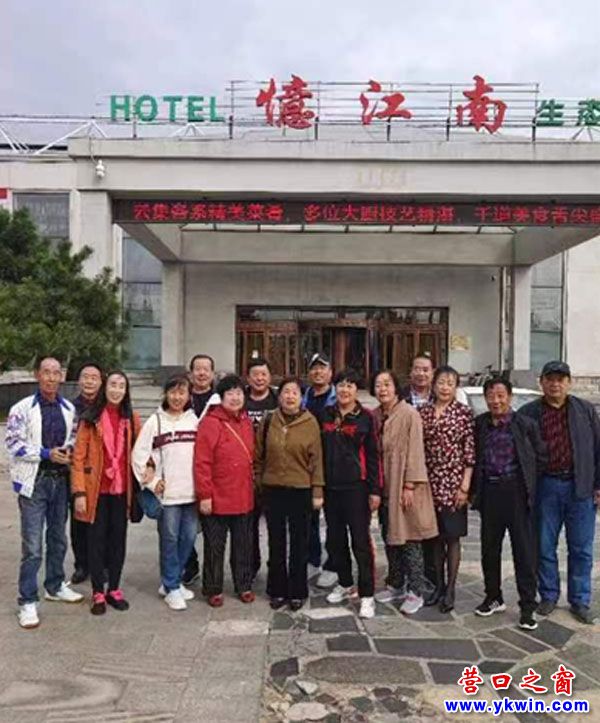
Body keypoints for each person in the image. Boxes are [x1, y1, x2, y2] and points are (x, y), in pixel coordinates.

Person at [520, 361, 600, 625]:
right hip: (546, 487)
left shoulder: (585, 411)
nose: (555, 384)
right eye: (550, 379)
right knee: (544, 546)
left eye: (561, 379)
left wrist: (598, 485)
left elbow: (598, 449)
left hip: (580, 488)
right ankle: (549, 595)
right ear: (541, 382)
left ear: (569, 382)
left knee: (582, 548)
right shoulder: (529, 413)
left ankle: (580, 600)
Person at [6, 355, 83, 629]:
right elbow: (13, 444)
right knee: (33, 546)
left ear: (62, 376)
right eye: (46, 372)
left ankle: (55, 585)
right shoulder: (22, 408)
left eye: (56, 372)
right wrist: (46, 453)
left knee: (58, 538)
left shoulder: (68, 408)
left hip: (60, 481)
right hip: (34, 482)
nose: (51, 377)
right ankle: (27, 600)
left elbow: (74, 437)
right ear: (37, 375)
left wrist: (67, 451)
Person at [472, 377, 547, 631]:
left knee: (523, 552)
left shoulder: (525, 425)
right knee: (489, 549)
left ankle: (527, 607)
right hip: (490, 493)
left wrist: (531, 488)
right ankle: (493, 597)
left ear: (510, 397)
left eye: (501, 395)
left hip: (517, 493)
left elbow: (540, 457)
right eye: (491, 396)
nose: (496, 401)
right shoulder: (480, 424)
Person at [71, 371, 141, 615]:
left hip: (121, 491)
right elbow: (78, 458)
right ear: (105, 387)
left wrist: (150, 468)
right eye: (113, 384)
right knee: (96, 541)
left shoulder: (131, 418)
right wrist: (79, 492)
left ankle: (114, 589)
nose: (116, 390)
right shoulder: (90, 418)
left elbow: (141, 450)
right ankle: (98, 591)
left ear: (126, 391)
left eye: (121, 386)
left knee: (118, 541)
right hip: (95, 491)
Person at [372, 370, 438, 615]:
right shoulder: (375, 415)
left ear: (396, 387)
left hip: (405, 485)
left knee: (410, 539)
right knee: (390, 536)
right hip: (384, 485)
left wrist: (410, 485)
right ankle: (396, 583)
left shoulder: (409, 414)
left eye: (387, 384)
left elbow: (416, 451)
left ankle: (416, 590)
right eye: (378, 385)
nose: (382, 389)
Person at [256, 377, 324, 611]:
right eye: (286, 392)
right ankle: (276, 589)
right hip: (273, 488)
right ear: (280, 396)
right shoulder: (269, 420)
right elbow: (259, 455)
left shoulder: (310, 422)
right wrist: (259, 482)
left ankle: (297, 591)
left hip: (301, 489)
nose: (290, 396)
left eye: (295, 392)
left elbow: (317, 460)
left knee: (299, 542)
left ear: (301, 397)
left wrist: (317, 490)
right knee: (276, 541)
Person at [132, 374, 199, 611]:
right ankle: (171, 587)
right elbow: (138, 455)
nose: (177, 397)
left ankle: (172, 580)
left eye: (182, 392)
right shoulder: (155, 421)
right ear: (166, 394)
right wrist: (152, 481)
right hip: (168, 495)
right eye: (173, 392)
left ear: (188, 395)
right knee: (169, 540)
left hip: (191, 492)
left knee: (188, 538)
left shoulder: (194, 421)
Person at [321, 368, 381, 619]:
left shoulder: (365, 418)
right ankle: (345, 583)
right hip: (330, 488)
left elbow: (374, 456)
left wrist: (375, 490)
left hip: (357, 488)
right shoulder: (326, 414)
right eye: (341, 385)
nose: (344, 390)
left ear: (357, 390)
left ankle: (367, 595)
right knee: (335, 541)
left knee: (360, 542)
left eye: (350, 385)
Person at [194, 374, 255, 607]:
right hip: (217, 496)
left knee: (243, 545)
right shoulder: (211, 423)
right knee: (214, 547)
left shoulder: (246, 422)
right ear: (221, 397)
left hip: (243, 495)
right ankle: (213, 588)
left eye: (239, 393)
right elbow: (202, 462)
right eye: (230, 393)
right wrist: (205, 495)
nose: (235, 397)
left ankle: (244, 585)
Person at [419, 365, 475, 613]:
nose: (445, 387)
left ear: (456, 388)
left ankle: (451, 588)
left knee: (452, 537)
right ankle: (438, 586)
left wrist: (465, 486)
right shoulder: (423, 412)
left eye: (450, 383)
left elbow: (469, 452)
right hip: (429, 483)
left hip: (453, 483)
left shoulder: (463, 413)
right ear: (434, 385)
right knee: (434, 538)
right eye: (441, 382)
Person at [183, 353, 220, 586]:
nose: (202, 373)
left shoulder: (219, 401)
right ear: (191, 373)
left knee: (211, 527)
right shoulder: (181, 397)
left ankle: (212, 574)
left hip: (211, 471)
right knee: (185, 526)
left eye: (206, 369)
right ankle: (189, 565)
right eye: (198, 369)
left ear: (213, 374)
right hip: (183, 469)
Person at [302, 352, 338, 588]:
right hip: (306, 467)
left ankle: (333, 565)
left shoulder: (338, 397)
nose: (318, 372)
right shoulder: (303, 398)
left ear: (330, 372)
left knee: (334, 519)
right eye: (314, 368)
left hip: (332, 466)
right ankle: (312, 559)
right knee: (309, 518)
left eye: (322, 368)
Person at [70, 362, 104, 585]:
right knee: (79, 520)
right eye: (85, 377)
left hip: (100, 473)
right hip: (75, 470)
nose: (89, 381)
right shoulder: (69, 407)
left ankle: (102, 564)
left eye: (94, 377)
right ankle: (82, 564)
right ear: (79, 380)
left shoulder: (106, 407)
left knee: (102, 522)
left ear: (101, 382)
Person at [245, 357, 279, 578]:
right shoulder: (240, 398)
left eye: (263, 374)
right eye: (255, 374)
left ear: (269, 377)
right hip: (246, 471)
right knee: (248, 524)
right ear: (248, 378)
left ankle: (275, 568)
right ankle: (251, 565)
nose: (259, 378)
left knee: (275, 524)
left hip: (273, 470)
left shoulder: (277, 399)